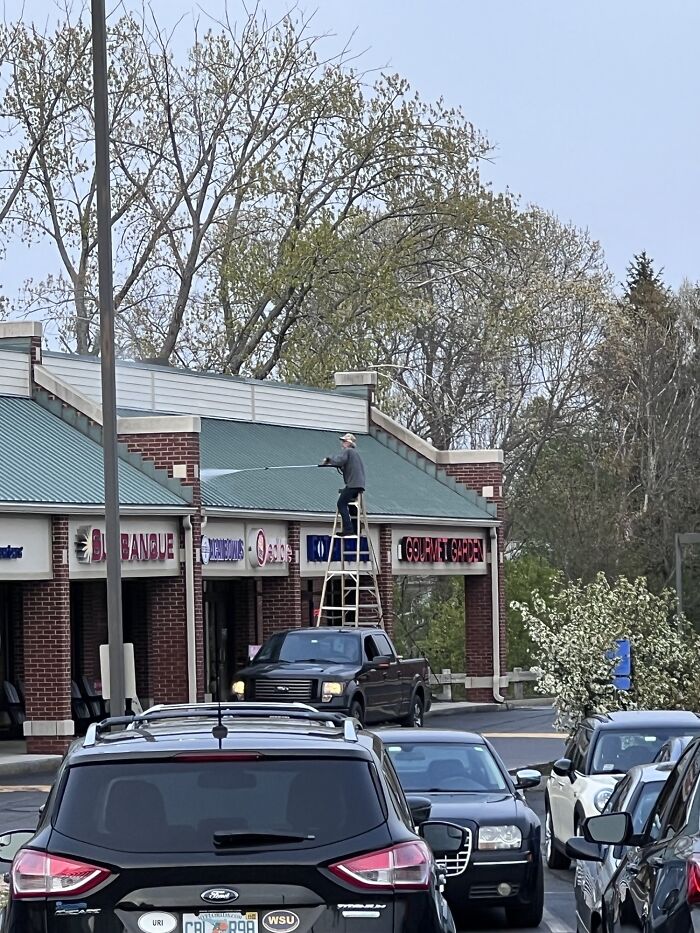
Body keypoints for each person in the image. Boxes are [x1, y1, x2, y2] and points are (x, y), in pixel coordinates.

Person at [319, 433, 366, 536]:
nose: (342, 443)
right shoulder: (355, 454)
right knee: (352, 506)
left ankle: (348, 529)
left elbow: (340, 461)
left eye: (344, 441)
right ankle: (356, 528)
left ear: (349, 443)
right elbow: (345, 466)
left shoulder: (348, 451)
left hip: (353, 484)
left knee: (341, 504)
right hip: (359, 484)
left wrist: (328, 460)